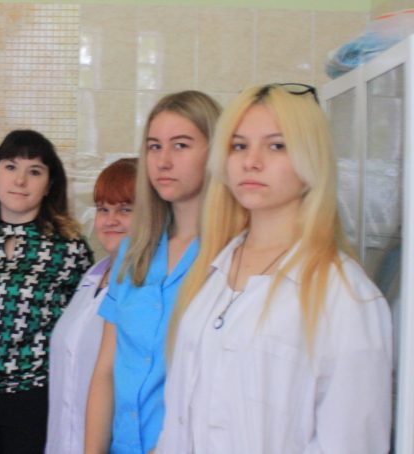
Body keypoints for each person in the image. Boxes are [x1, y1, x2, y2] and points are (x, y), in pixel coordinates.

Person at [156, 84, 392, 453]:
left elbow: (353, 442)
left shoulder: (346, 296)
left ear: (311, 160)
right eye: (239, 146)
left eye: (277, 145)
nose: (251, 161)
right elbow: (180, 419)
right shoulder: (210, 272)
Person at [84, 91, 221, 454]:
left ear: (216, 152)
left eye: (181, 145)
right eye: (154, 147)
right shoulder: (135, 252)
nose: (163, 161)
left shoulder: (230, 257)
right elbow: (106, 370)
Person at [0, 130, 93, 454]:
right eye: (11, 167)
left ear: (49, 185)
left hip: (34, 397)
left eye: (35, 171)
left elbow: (84, 331)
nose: (20, 180)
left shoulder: (69, 248)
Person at [46, 158, 137, 454]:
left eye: (125, 209)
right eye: (103, 209)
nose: (110, 220)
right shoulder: (92, 275)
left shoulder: (146, 287)